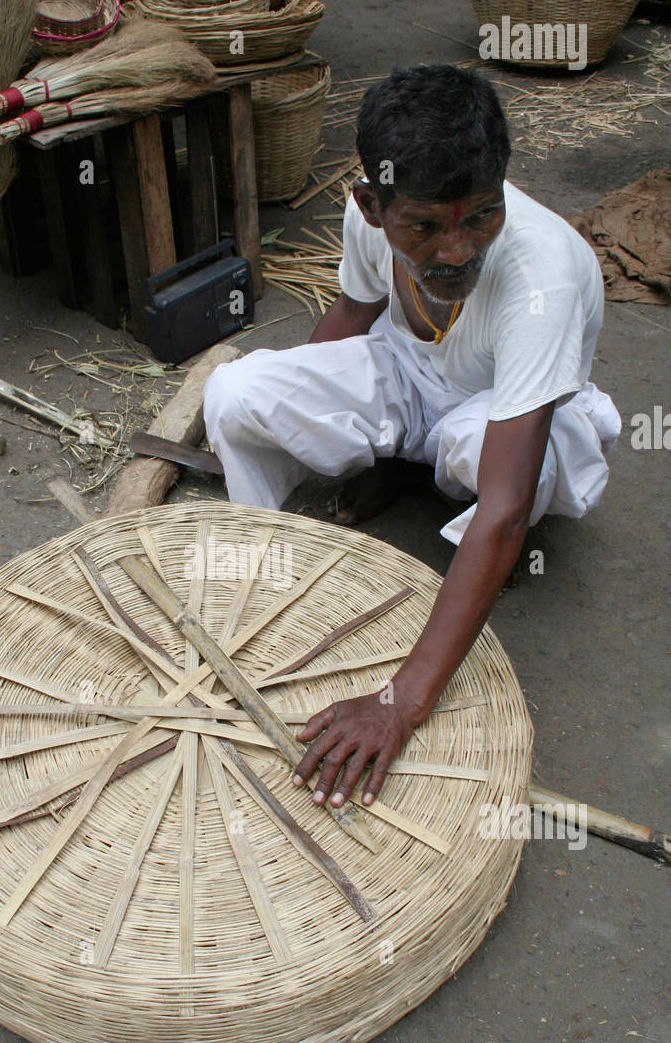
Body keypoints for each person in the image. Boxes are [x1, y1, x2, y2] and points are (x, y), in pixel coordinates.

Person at [203, 64, 620, 813]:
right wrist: (300, 423)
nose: (457, 249)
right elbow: (350, 323)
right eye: (424, 226)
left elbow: (504, 504)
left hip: (508, 417)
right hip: (411, 377)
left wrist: (399, 704)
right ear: (371, 205)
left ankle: (453, 511)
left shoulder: (541, 278)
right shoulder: (365, 221)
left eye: (480, 218)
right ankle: (259, 569)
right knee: (234, 392)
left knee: (503, 475)